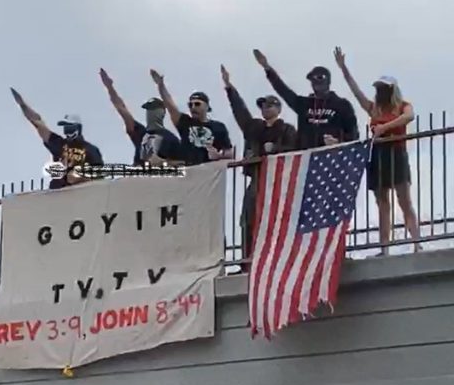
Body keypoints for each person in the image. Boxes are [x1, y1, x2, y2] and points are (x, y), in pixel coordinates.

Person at [333, 47, 421, 254]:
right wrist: (343, 68)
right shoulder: (374, 108)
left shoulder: (402, 106)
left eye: (384, 88)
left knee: (404, 199)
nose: (380, 91)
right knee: (382, 201)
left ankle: (417, 242)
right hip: (378, 155)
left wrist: (384, 128)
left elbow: (409, 117)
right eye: (379, 87)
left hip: (396, 153)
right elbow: (356, 92)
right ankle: (384, 247)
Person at [221, 65, 298, 271]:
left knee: (277, 220)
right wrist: (229, 88)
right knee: (248, 217)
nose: (265, 109)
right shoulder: (255, 127)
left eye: (269, 106)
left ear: (278, 109)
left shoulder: (287, 129)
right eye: (263, 106)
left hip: (278, 181)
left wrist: (275, 149)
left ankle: (277, 259)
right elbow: (241, 113)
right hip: (258, 178)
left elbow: (296, 149)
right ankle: (248, 261)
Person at [253, 49, 359, 150]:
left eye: (320, 78)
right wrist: (267, 68)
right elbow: (283, 90)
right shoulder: (304, 104)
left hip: (333, 160)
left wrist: (338, 142)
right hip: (307, 161)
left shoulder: (342, 105)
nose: (316, 82)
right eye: (312, 79)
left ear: (328, 81)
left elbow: (354, 135)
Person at [10, 88, 104, 189]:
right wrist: (23, 105)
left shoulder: (90, 149)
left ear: (78, 128)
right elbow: (38, 124)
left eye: (70, 128)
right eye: (66, 129)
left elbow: (99, 176)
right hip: (58, 193)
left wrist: (77, 177)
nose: (68, 132)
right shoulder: (59, 144)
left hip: (81, 193)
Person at [98, 68, 187, 166]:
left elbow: (184, 163)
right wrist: (110, 87)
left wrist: (162, 163)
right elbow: (122, 109)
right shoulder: (141, 133)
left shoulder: (170, 138)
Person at [149, 69, 234, 164]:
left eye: (197, 104)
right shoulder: (186, 122)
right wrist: (161, 86)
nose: (193, 107)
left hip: (209, 172)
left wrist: (218, 156)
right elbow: (170, 106)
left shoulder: (218, 127)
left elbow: (230, 153)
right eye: (190, 105)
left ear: (207, 107)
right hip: (189, 171)